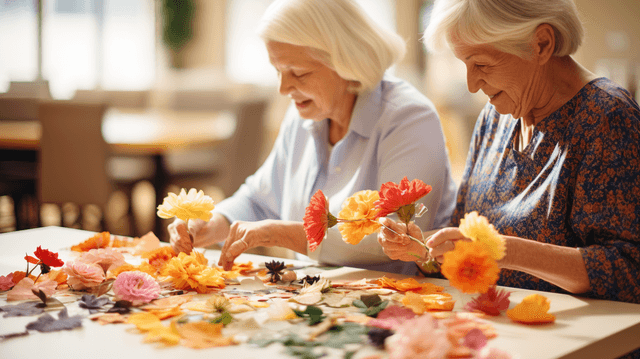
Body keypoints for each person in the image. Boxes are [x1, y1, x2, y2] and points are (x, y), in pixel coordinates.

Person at [378, 0, 640, 304]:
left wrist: (504, 250)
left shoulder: (607, 118)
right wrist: (424, 251)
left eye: (482, 64)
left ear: (541, 44)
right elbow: (465, 244)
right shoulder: (495, 118)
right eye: (464, 64)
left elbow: (630, 271)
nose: (472, 84)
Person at [169, 0, 458, 275]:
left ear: (348, 63)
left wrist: (282, 233)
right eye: (278, 71)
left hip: (397, 304)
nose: (283, 88)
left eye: (298, 72)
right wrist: (211, 224)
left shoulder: (409, 119)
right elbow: (259, 199)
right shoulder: (305, 115)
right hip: (320, 300)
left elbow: (398, 239)